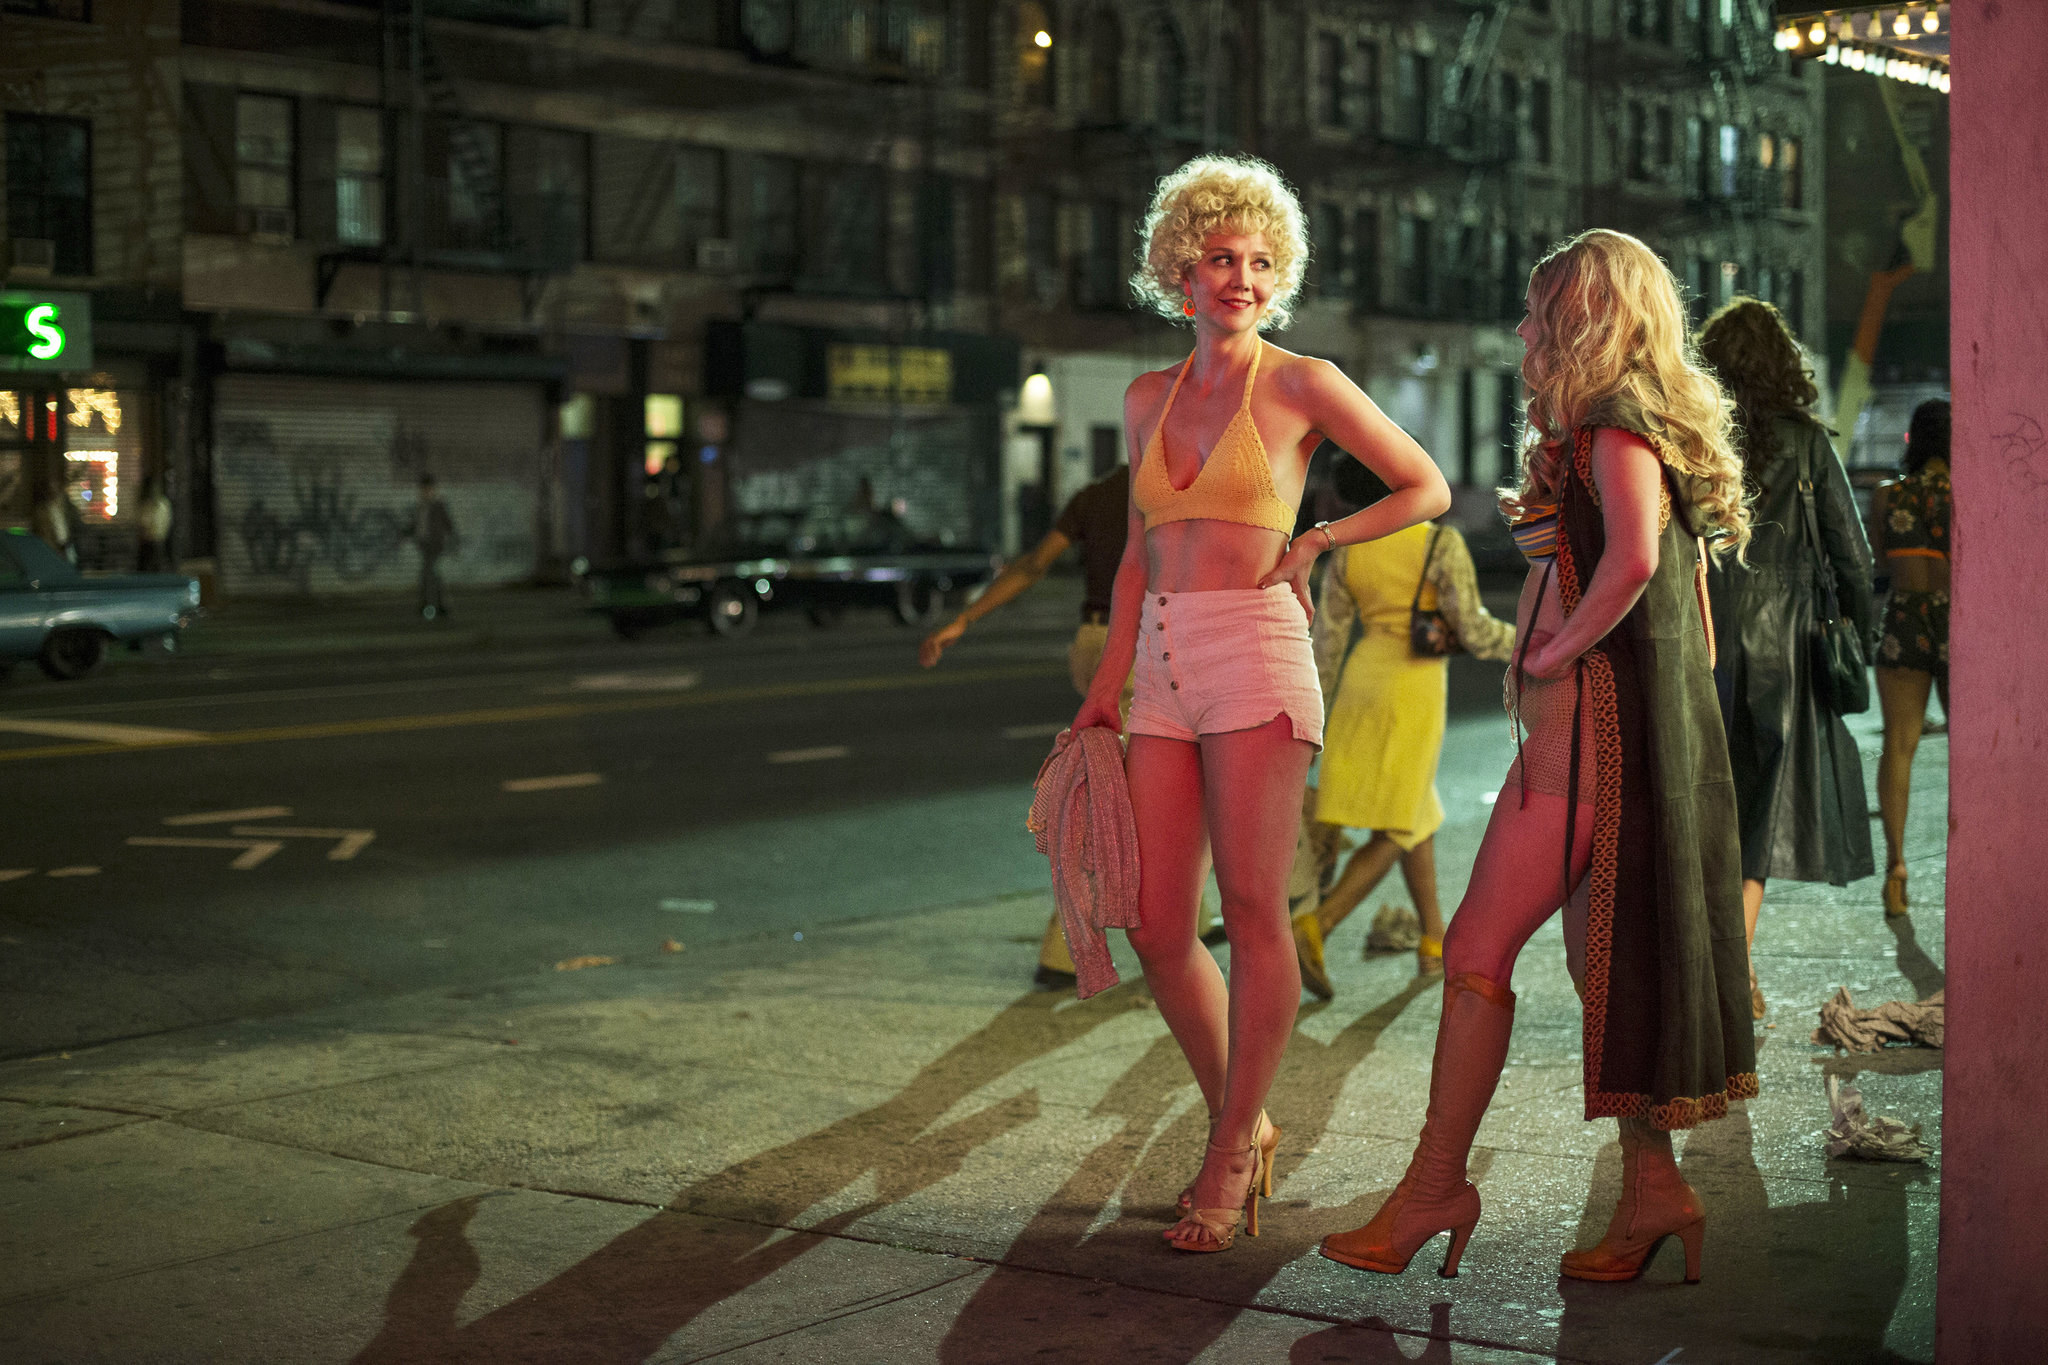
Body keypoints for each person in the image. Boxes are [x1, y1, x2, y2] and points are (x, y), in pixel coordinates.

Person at [1319, 229, 1754, 1286]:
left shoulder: (1611, 424)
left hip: (1581, 736)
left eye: (1535, 311)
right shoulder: (1625, 427)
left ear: (1581, 320)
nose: (1520, 330)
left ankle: (1432, 1189)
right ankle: (1654, 1192)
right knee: (1593, 963)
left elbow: (1638, 562)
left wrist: (1552, 652)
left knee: (1471, 957)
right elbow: (1687, 610)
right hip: (1608, 733)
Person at [1074, 154, 1450, 1254]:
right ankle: (1245, 1114)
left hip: (1255, 653)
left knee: (1250, 908)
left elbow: (1421, 483)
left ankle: (1229, 1146)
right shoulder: (1145, 397)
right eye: (1217, 258)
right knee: (1154, 924)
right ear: (1178, 271)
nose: (1238, 277)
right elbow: (1140, 554)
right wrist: (1107, 684)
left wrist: (1321, 538)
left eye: (1257, 261)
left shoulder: (1299, 383)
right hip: (1160, 660)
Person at [1697, 298, 1875, 1018]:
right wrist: (1861, 631)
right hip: (1788, 648)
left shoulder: (1695, 438)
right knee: (1762, 815)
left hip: (1704, 637)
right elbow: (1852, 555)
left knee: (1713, 806)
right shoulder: (1806, 442)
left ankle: (1722, 963)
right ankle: (1734, 971)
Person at [1293, 457, 1515, 996]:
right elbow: (1475, 631)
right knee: (1398, 823)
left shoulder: (1348, 552)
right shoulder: (1440, 544)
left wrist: (1310, 718)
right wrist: (1534, 644)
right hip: (1413, 691)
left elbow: (1327, 644)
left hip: (1361, 683)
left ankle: (1433, 938)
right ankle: (1318, 924)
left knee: (1417, 811)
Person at [1869, 399, 1951, 918]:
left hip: (1903, 617)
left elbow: (1880, 560)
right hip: (1958, 621)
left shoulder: (1886, 496)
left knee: (1899, 746)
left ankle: (1896, 867)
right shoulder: (1964, 494)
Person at [411, 474, 459, 620]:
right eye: (423, 489)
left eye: (428, 489)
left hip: (435, 546)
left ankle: (428, 607)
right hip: (424, 545)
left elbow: (448, 523)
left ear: (433, 490)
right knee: (434, 576)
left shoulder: (438, 506)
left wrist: (453, 540)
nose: (425, 492)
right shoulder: (420, 507)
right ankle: (442, 606)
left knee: (427, 575)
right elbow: (416, 526)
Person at [33, 474, 75, 565]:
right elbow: (44, 533)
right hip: (52, 549)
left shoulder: (66, 508)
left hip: (67, 546)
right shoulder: (43, 511)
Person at [137, 476, 174, 573]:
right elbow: (143, 522)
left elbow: (166, 521)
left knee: (158, 566)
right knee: (145, 568)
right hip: (148, 541)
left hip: (158, 540)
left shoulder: (163, 505)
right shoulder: (147, 505)